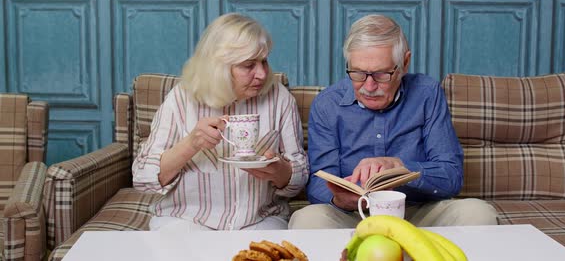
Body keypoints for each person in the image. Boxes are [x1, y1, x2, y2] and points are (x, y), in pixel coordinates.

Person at [288, 14, 497, 229]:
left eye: (381, 74)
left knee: (478, 213)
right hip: (355, 216)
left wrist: (402, 168)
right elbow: (319, 183)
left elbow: (451, 176)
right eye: (358, 73)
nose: (368, 86)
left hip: (418, 213)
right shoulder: (327, 104)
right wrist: (338, 199)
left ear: (404, 63)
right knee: (307, 219)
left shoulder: (427, 93)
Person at [132, 13, 309, 231]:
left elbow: (299, 179)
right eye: (248, 65)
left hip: (260, 220)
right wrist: (191, 144)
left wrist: (280, 171)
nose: (262, 74)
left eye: (264, 61)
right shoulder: (181, 99)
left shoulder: (278, 98)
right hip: (186, 220)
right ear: (219, 67)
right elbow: (142, 179)